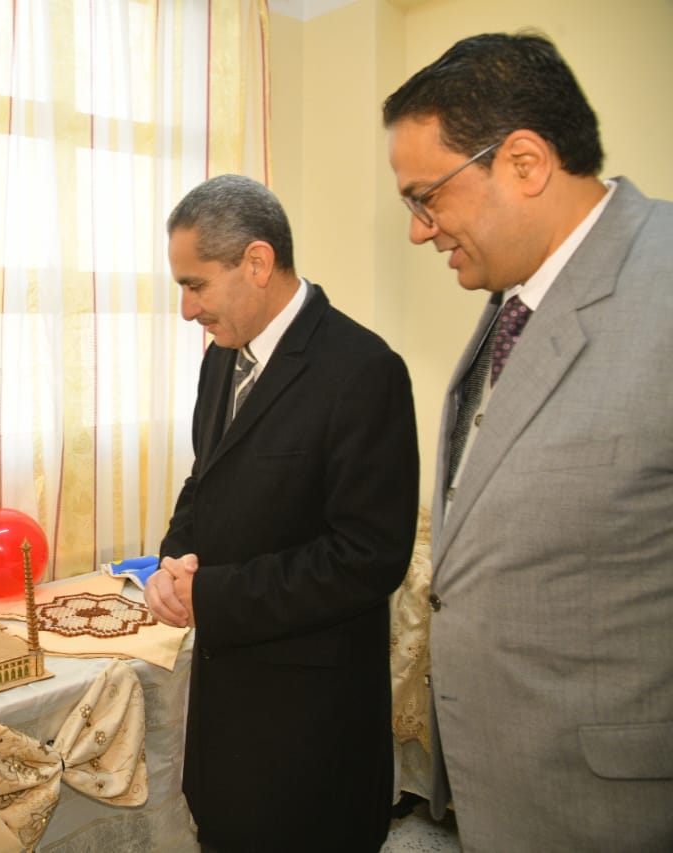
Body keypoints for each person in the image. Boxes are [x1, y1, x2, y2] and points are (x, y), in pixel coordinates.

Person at [383, 32, 673, 851]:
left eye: (426, 198)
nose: (419, 231)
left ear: (524, 162)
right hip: (504, 786)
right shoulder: (513, 299)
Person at [144, 175, 419, 852]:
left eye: (195, 285)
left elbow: (368, 557)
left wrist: (213, 595)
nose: (186, 309)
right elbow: (205, 481)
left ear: (257, 262)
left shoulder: (363, 370)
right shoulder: (220, 361)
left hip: (311, 723)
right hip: (227, 706)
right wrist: (171, 562)